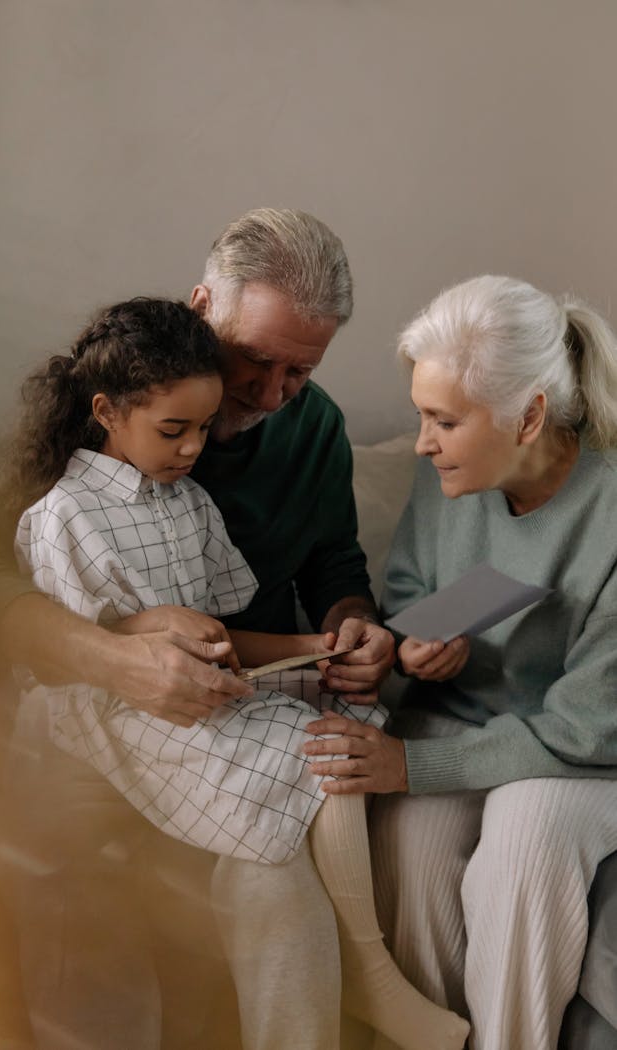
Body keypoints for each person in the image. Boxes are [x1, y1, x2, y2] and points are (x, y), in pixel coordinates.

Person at [0, 209, 396, 1050]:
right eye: (254, 360)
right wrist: (114, 658)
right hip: (86, 714)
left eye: (298, 371)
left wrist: (351, 628)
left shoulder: (314, 428)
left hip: (227, 707)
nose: (269, 394)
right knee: (65, 864)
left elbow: (335, 567)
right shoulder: (106, 410)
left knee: (281, 879)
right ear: (202, 310)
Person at [9, 294, 468, 1050]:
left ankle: (359, 988)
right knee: (312, 760)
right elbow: (67, 637)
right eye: (174, 431)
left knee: (334, 741)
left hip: (209, 698)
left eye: (302, 371)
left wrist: (327, 648)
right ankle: (375, 978)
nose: (195, 448)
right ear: (108, 411)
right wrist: (144, 630)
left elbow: (230, 628)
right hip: (111, 708)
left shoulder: (189, 497)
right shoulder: (63, 512)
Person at [303, 274, 617, 1050]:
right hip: (468, 724)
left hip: (586, 756)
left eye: (444, 420)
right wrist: (410, 647)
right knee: (410, 834)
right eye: (420, 416)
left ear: (530, 414)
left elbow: (587, 729)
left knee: (526, 830)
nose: (421, 441)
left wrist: (408, 765)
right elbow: (410, 589)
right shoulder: (448, 475)